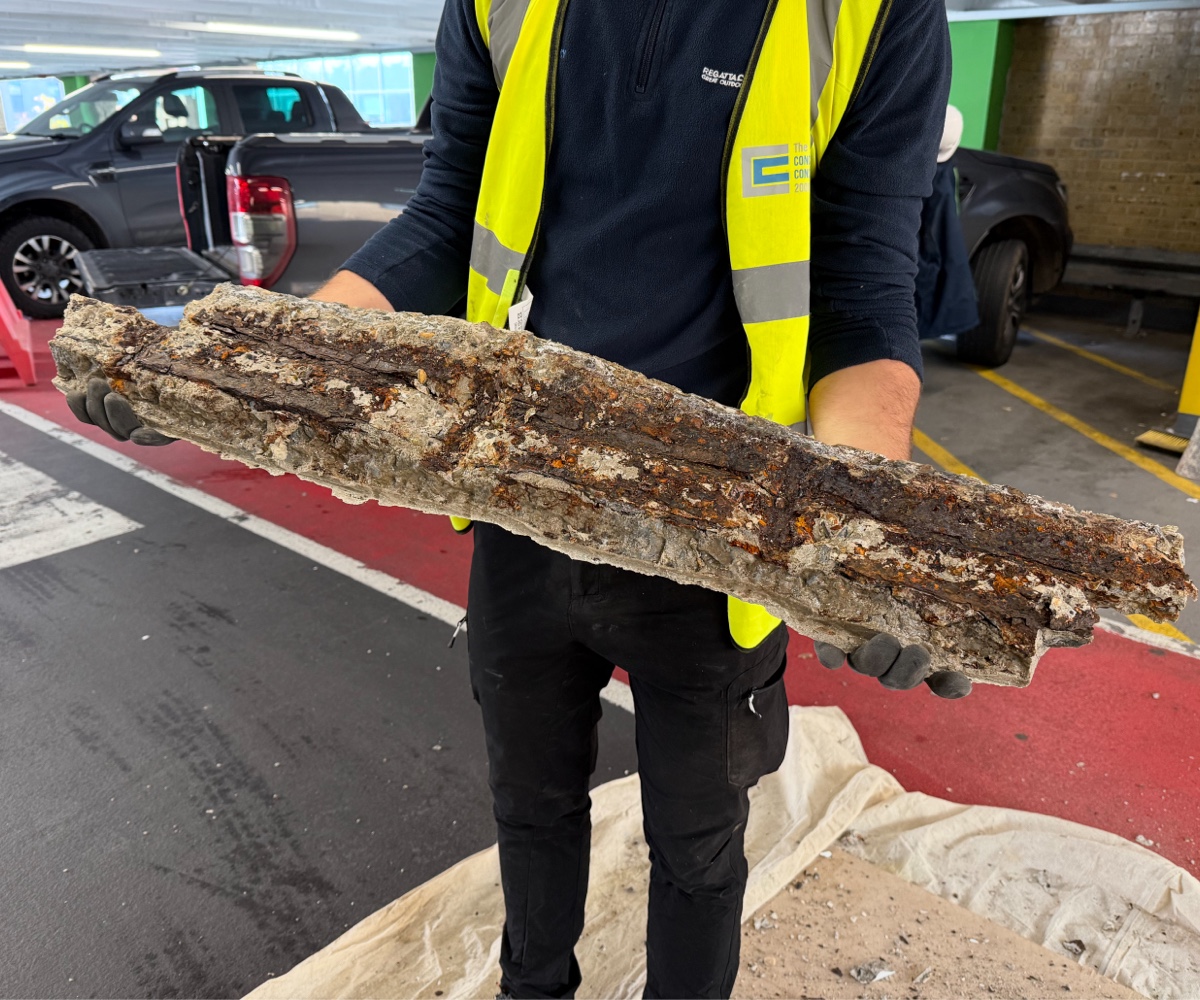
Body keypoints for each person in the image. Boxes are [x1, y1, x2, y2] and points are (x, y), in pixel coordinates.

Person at [70, 1, 974, 995]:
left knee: (699, 839)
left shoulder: (865, 15)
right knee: (532, 804)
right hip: (524, 500)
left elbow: (864, 287)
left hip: (721, 539)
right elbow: (445, 212)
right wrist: (254, 363)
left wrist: (869, 533)